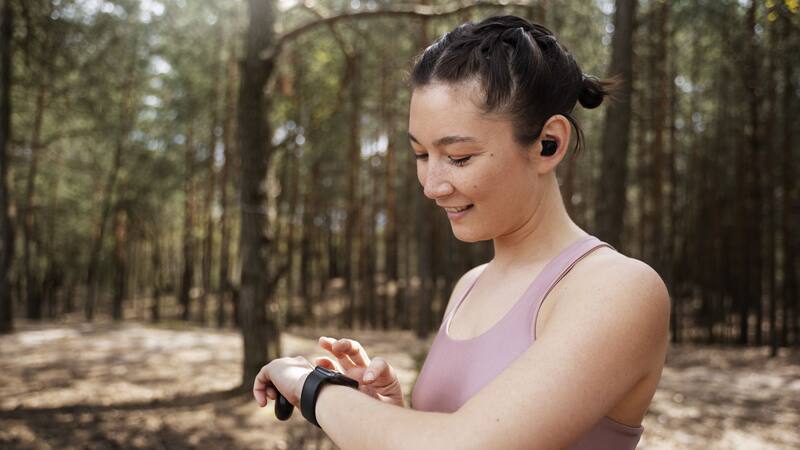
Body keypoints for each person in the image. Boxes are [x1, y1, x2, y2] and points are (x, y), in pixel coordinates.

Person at [253, 15, 670, 450]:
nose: (433, 186)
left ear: (549, 143)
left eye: (458, 157)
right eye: (420, 153)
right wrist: (385, 413)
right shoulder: (468, 286)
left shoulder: (619, 289)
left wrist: (312, 387)